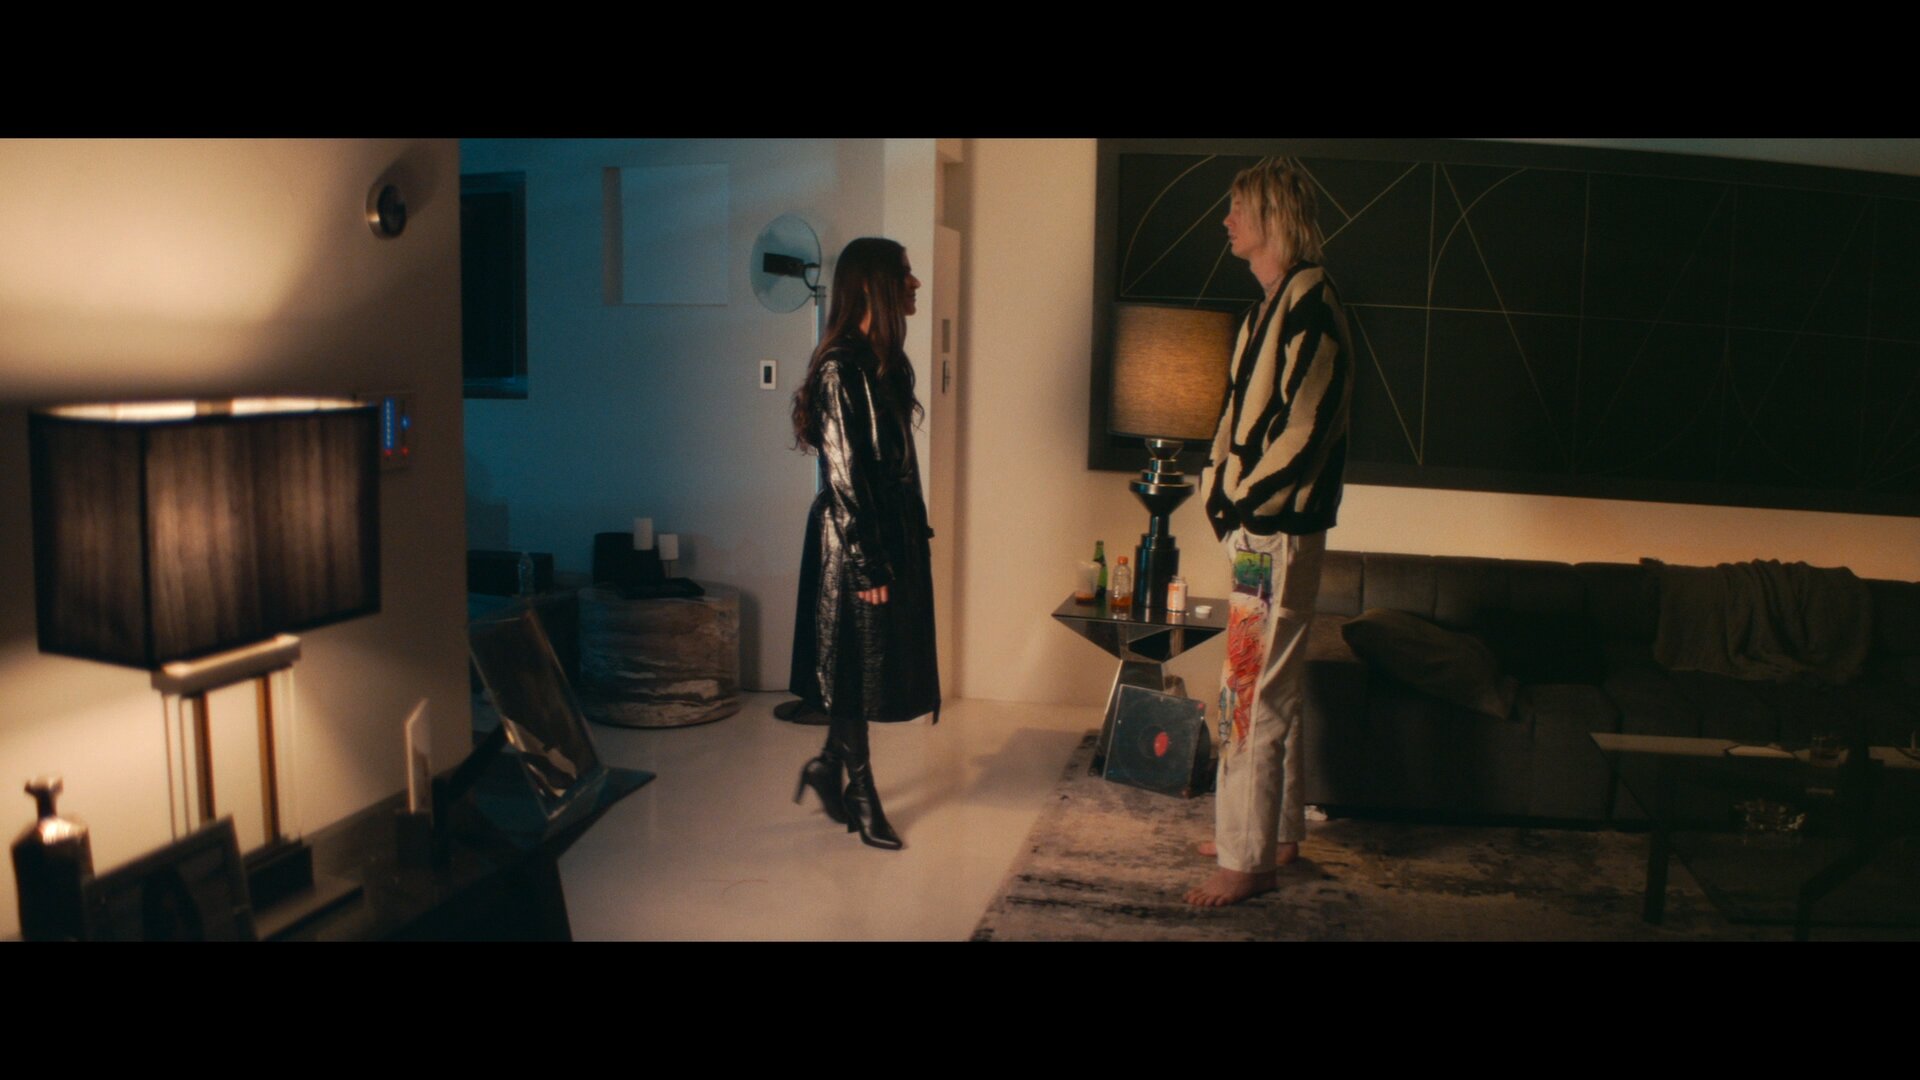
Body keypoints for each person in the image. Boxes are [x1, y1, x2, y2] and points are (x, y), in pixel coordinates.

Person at [1184, 158, 1354, 907]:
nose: (1226, 221)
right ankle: (1272, 836)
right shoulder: (1268, 309)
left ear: (1271, 215)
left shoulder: (1313, 305)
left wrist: (1245, 504)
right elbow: (1235, 418)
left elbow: (1306, 428)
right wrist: (1218, 494)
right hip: (1259, 533)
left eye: (1237, 208)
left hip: (1276, 533)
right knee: (1265, 688)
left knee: (1247, 691)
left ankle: (1248, 860)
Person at [787, 237, 941, 851]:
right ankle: (861, 790)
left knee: (864, 661)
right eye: (904, 273)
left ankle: (829, 765)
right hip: (853, 540)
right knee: (853, 666)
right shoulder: (839, 367)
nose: (915, 283)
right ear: (875, 282)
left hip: (885, 533)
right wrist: (867, 562)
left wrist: (908, 540)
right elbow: (844, 474)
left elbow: (897, 467)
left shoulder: (885, 362)